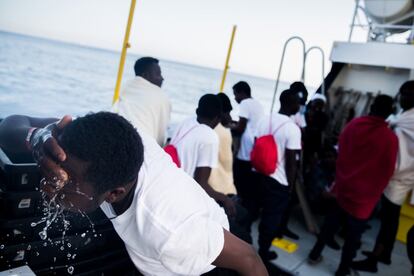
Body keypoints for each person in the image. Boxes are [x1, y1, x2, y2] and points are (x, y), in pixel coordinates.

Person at [0, 112, 268, 276]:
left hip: (209, 263)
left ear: (113, 194)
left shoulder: (171, 232)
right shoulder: (102, 138)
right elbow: (11, 125)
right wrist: (36, 138)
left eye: (66, 182)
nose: (52, 182)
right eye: (57, 170)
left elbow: (249, 260)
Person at [308, 95, 398, 276]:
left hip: (343, 187)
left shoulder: (354, 125)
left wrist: (342, 178)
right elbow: (387, 170)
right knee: (353, 236)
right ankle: (342, 270)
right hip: (365, 197)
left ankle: (314, 254)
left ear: (371, 106)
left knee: (329, 225)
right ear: (389, 112)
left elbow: (340, 151)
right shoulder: (390, 138)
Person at [352, 80, 414, 273]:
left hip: (400, 176)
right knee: (390, 217)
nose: (400, 98)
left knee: (388, 219)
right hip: (400, 173)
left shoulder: (408, 118)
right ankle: (385, 254)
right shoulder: (405, 115)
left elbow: (391, 123)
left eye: (404, 94)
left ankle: (375, 260)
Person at [170, 94, 236, 217]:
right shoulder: (209, 136)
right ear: (218, 118)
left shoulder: (186, 122)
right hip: (182, 196)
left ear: (197, 111)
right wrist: (225, 199)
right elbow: (201, 184)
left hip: (170, 183)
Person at [254, 89, 302, 261]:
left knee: (254, 209)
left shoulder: (264, 119)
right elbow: (291, 162)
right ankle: (263, 252)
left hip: (259, 173)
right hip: (279, 180)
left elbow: (256, 144)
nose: (299, 105)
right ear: (290, 104)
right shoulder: (292, 129)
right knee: (271, 218)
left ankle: (245, 240)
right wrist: (290, 186)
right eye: (297, 102)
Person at [112, 57, 171, 146]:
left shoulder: (125, 87)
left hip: (115, 138)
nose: (162, 78)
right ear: (145, 75)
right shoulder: (162, 96)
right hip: (142, 148)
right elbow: (160, 136)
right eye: (158, 74)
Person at [230, 81, 264, 220]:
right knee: (249, 183)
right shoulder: (256, 103)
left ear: (241, 93)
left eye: (235, 94)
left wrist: (227, 126)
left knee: (239, 180)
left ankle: (238, 211)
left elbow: (241, 128)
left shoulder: (244, 104)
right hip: (255, 148)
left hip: (246, 149)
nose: (235, 98)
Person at [208, 93, 237, 196]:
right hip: (221, 188)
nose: (230, 117)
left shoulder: (205, 126)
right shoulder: (224, 132)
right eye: (228, 112)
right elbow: (227, 162)